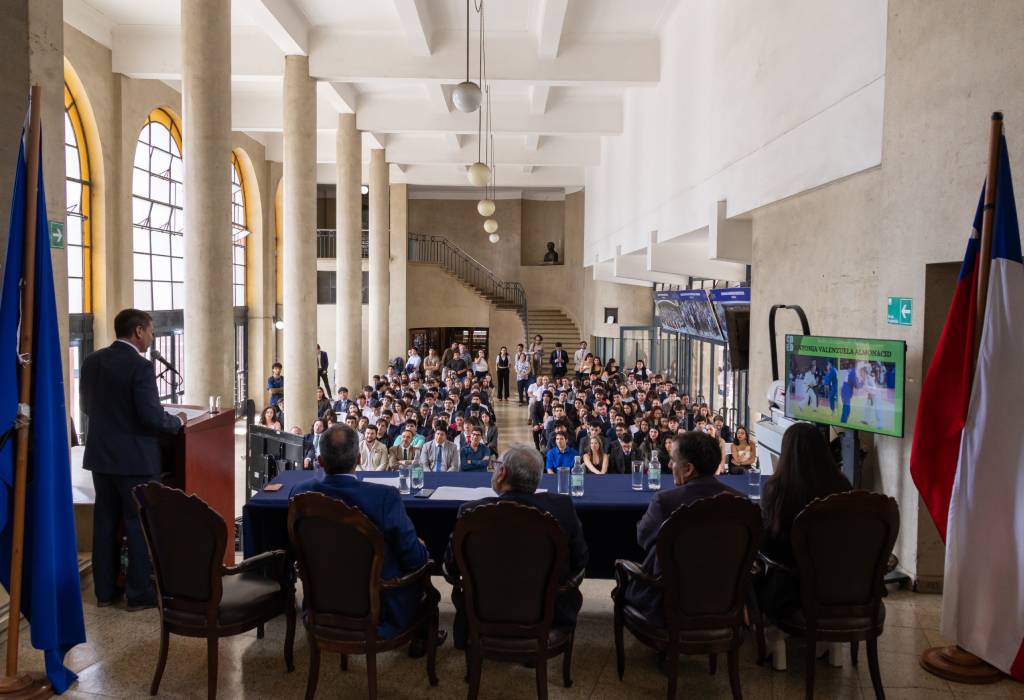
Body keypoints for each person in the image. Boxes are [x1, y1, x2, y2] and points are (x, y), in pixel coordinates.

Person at [290, 424, 442, 650]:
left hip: (321, 605)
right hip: (378, 610)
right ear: (359, 457)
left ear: (320, 461)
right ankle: (421, 638)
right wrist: (422, 549)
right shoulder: (384, 497)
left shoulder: (300, 493)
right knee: (428, 588)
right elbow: (414, 560)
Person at [81, 308, 185, 610]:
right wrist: (176, 422)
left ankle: (104, 591)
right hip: (135, 462)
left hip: (101, 458)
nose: (152, 337)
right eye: (151, 331)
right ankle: (138, 594)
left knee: (104, 522)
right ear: (138, 331)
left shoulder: (91, 361)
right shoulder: (139, 367)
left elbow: (88, 407)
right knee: (138, 524)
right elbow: (151, 416)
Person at [443, 444, 587, 649]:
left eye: (496, 465)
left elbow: (451, 566)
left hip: (483, 613)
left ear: (502, 473)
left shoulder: (471, 512)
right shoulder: (562, 508)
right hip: (547, 615)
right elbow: (580, 560)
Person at [625, 430, 747, 621]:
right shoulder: (741, 502)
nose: (668, 464)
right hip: (725, 600)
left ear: (688, 469)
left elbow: (642, 538)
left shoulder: (665, 502)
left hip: (669, 603)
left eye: (673, 460)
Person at [756, 423, 852, 619]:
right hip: (837, 587)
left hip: (790, 592)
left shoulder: (775, 489)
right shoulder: (842, 486)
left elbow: (770, 543)